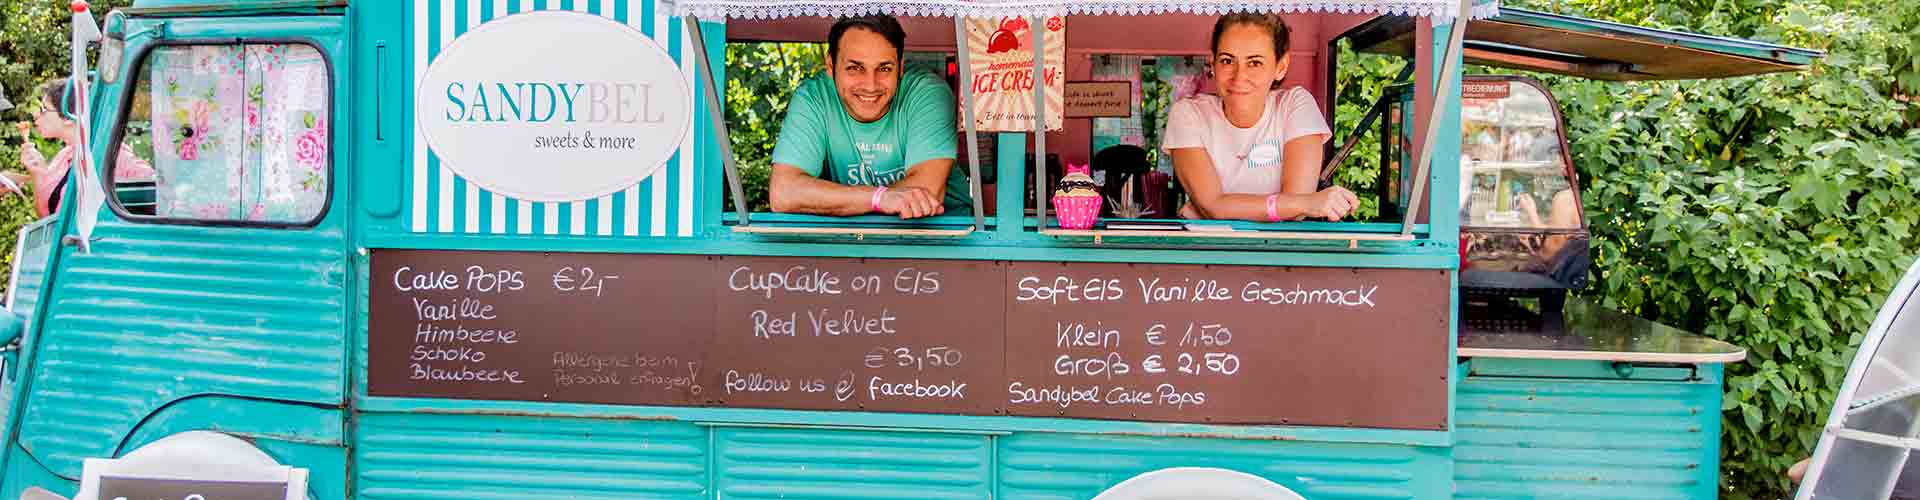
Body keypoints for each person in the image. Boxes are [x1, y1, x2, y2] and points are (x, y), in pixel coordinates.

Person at [768, 14, 970, 219]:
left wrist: (841, 200)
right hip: (852, 235)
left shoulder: (926, 92)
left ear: (900, 67)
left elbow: (924, 193)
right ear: (831, 66)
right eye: (855, 68)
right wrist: (879, 198)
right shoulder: (814, 97)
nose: (870, 85)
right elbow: (784, 192)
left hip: (942, 235)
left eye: (884, 68)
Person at [1163, 14, 1356, 222]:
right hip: (1209, 250)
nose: (1239, 77)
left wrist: (1218, 208)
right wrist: (1303, 203)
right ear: (1213, 64)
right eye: (1227, 61)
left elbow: (1295, 215)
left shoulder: (1295, 105)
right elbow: (1215, 207)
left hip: (1277, 251)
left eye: (1254, 63)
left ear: (1281, 67)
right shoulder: (1189, 114)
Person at [8, 78, 154, 218]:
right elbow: (47, 216)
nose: (36, 116)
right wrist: (37, 174)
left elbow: (156, 191)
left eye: (44, 109)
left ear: (68, 117)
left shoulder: (114, 156)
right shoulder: (64, 157)